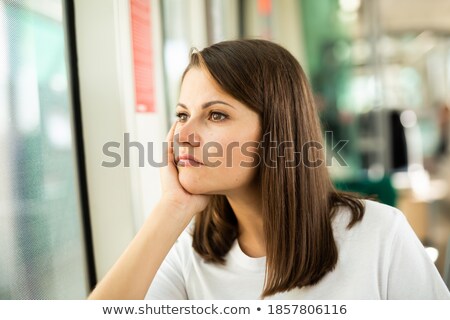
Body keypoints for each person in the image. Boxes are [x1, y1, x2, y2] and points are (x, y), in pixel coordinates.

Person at [88, 39, 450, 300]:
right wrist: (172, 208)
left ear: (276, 135)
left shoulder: (380, 236)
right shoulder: (190, 256)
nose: (183, 134)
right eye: (182, 115)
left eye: (216, 115)